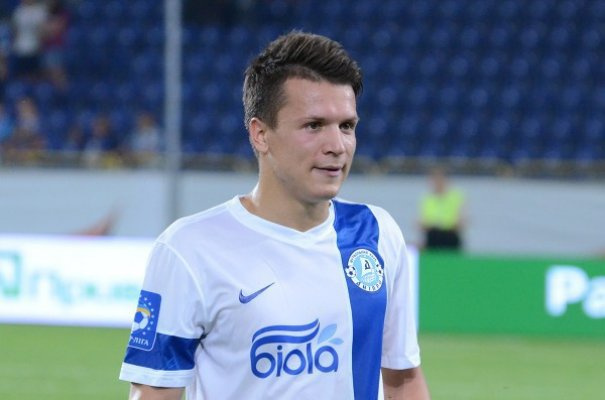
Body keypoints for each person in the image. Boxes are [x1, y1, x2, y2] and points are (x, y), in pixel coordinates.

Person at [119, 31, 430, 400]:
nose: (337, 146)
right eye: (314, 125)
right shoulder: (188, 249)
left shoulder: (377, 233)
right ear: (260, 134)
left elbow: (403, 378)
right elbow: (155, 392)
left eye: (347, 126)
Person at [418, 167, 466, 251]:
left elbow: (461, 222)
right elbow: (423, 223)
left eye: (440, 180)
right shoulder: (428, 199)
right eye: (435, 180)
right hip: (433, 236)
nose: (438, 183)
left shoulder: (456, 197)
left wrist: (445, 225)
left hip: (450, 235)